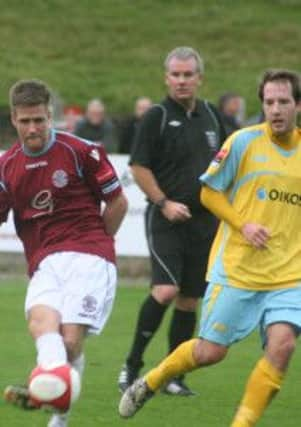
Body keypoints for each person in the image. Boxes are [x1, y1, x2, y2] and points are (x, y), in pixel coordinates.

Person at [118, 68, 301, 426]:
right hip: (238, 269)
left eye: (283, 102)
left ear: (298, 105)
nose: (275, 109)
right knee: (209, 352)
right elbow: (209, 192)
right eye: (268, 102)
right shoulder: (243, 143)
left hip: (290, 274)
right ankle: (153, 379)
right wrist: (242, 223)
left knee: (283, 346)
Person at [2, 79, 128, 427]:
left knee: (70, 343)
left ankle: (57, 413)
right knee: (41, 325)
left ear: (50, 115)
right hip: (43, 263)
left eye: (39, 120)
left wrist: (99, 244)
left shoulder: (82, 150)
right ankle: (49, 391)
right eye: (25, 121)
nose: (33, 128)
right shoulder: (6, 167)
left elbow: (117, 201)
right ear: (13, 119)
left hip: (88, 255)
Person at [117, 46, 226, 396]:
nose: (181, 80)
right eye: (175, 75)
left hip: (205, 222)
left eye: (187, 74)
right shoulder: (156, 115)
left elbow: (225, 162)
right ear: (167, 78)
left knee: (189, 300)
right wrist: (163, 202)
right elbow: (138, 165)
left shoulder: (211, 115)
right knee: (165, 290)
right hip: (165, 220)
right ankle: (131, 365)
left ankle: (172, 376)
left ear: (199, 78)